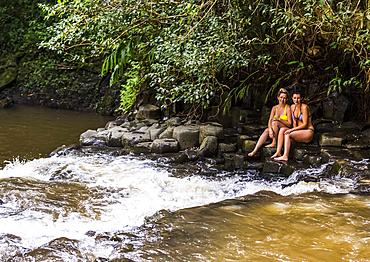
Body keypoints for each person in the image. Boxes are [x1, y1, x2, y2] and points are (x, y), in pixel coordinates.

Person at [248, 88, 292, 157]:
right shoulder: (274, 108)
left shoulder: (288, 108)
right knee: (267, 130)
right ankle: (254, 150)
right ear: (278, 98)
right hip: (275, 129)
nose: (282, 100)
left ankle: (274, 142)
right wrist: (270, 130)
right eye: (281, 97)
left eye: (284, 98)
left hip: (283, 128)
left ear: (286, 99)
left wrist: (279, 119)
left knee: (275, 122)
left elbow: (289, 123)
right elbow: (270, 120)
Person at [273, 88, 314, 161]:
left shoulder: (304, 107)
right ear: (292, 98)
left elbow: (305, 124)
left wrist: (291, 130)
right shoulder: (292, 107)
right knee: (283, 130)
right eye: (294, 98)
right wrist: (292, 130)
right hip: (299, 131)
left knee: (287, 134)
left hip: (308, 131)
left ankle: (285, 156)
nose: (296, 100)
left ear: (301, 98)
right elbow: (294, 123)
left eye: (298, 98)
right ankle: (278, 152)